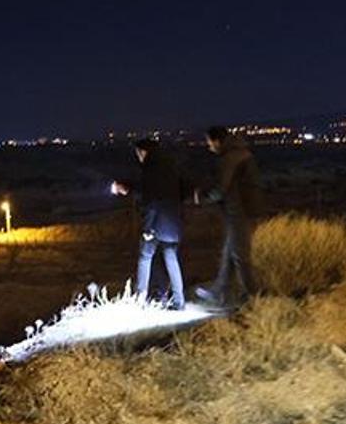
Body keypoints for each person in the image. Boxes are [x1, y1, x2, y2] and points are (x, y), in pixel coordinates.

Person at [112, 138, 189, 310]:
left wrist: (148, 228)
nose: (138, 157)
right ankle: (179, 301)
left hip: (156, 224)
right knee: (171, 259)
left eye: (138, 154)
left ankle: (140, 299)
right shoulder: (170, 166)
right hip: (174, 223)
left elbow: (150, 201)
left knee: (145, 258)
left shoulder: (149, 170)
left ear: (143, 152)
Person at [194, 126, 264, 308]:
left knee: (240, 255)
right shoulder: (240, 153)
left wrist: (202, 197)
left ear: (217, 141)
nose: (208, 146)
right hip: (244, 211)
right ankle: (219, 292)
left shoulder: (230, 158)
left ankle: (255, 298)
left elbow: (221, 188)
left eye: (209, 142)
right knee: (230, 253)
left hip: (240, 213)